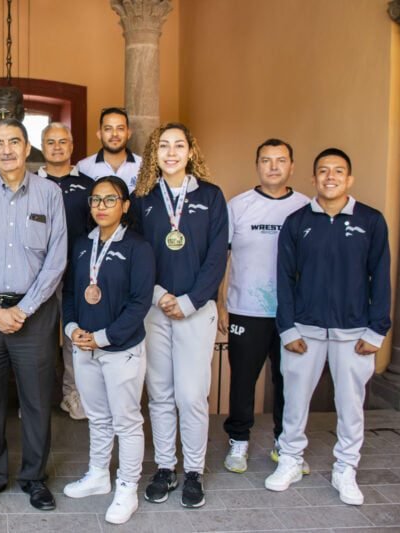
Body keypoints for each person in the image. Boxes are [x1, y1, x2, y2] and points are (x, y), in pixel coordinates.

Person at [265, 148, 391, 506]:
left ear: (349, 179)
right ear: (313, 178)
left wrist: (376, 330)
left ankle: (345, 468)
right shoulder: (297, 222)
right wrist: (287, 328)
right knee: (294, 402)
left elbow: (381, 278)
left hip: (354, 333)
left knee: (351, 404)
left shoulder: (371, 221)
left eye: (338, 171)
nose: (330, 176)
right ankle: (289, 459)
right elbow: (284, 278)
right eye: (323, 170)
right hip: (304, 330)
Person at [0, 118, 67, 511]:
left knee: (37, 400)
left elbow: (56, 261)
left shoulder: (50, 194)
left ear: (27, 148)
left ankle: (34, 478)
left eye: (14, 142)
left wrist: (23, 309)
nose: (6, 149)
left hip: (34, 312)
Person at [130, 122, 228, 508]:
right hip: (155, 310)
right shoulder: (143, 197)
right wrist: (158, 295)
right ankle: (166, 468)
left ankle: (193, 472)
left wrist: (189, 301)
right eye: (163, 146)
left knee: (191, 395)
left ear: (191, 152)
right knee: (160, 394)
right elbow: (138, 253)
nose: (171, 152)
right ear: (154, 154)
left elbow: (217, 255)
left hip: (196, 311)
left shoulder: (211, 196)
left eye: (179, 145)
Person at [61, 176, 155, 525]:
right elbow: (70, 293)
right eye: (96, 200)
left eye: (110, 199)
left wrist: (102, 337)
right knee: (97, 417)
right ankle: (99, 475)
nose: (101, 206)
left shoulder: (138, 247)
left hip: (120, 349)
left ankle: (127, 487)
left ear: (125, 205)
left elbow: (139, 303)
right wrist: (72, 330)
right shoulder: (82, 245)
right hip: (83, 347)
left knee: (126, 421)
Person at [218, 139, 310, 475]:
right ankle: (238, 442)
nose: (273, 166)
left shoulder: (306, 207)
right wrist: (221, 304)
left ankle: (285, 446)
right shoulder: (238, 206)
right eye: (266, 160)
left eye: (281, 160)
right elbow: (222, 258)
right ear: (256, 164)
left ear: (292, 166)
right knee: (243, 380)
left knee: (290, 381)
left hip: (293, 315)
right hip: (246, 309)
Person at [38, 122, 93, 421]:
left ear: (72, 147)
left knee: (74, 339)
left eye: (63, 142)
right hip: (39, 278)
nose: (57, 147)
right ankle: (36, 401)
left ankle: (72, 396)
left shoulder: (88, 186)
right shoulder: (30, 184)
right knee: (40, 340)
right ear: (42, 147)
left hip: (77, 276)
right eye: (51, 142)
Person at [76, 107, 142, 190]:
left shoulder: (143, 166)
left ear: (128, 133)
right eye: (108, 129)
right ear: (99, 134)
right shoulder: (83, 167)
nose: (114, 134)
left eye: (120, 128)